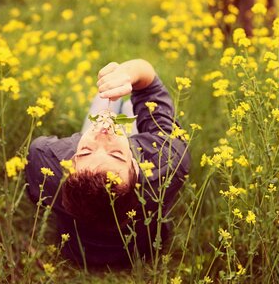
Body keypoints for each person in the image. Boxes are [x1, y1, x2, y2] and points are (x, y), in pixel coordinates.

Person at [24, 59, 190, 266]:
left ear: (69, 163)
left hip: (76, 253)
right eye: (117, 155)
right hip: (141, 254)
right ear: (135, 169)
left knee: (103, 104)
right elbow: (150, 87)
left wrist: (98, 138)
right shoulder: (170, 162)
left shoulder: (43, 161)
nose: (104, 133)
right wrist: (129, 74)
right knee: (131, 106)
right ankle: (128, 108)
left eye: (84, 152)